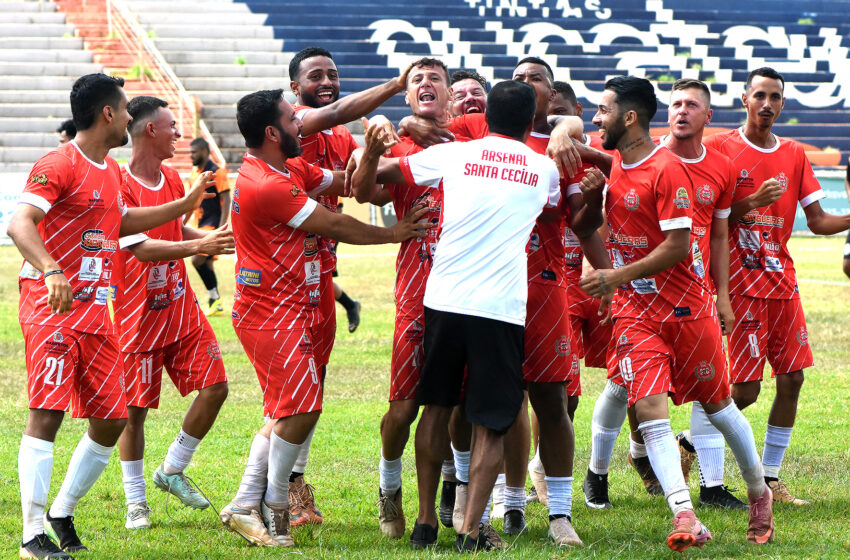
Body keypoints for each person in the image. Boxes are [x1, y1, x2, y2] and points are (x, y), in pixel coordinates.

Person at [8, 73, 212, 559]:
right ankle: (31, 534)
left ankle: (61, 511)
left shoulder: (110, 171)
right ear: (107, 114)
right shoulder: (59, 162)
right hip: (51, 305)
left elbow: (117, 223)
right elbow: (20, 222)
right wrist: (52, 269)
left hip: (98, 311)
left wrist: (182, 206)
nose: (127, 117)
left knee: (111, 419)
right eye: (124, 111)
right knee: (47, 414)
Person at [355, 80, 564, 552]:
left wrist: (370, 150)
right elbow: (552, 210)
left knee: (436, 407)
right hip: (501, 307)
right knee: (492, 418)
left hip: (444, 297)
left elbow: (373, 183)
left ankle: (426, 521)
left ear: (486, 117)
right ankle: (470, 528)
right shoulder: (543, 168)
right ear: (531, 121)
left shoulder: (458, 155)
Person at [218, 89, 430, 548]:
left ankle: (242, 504)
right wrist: (394, 232)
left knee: (283, 413)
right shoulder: (267, 183)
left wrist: (373, 152)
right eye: (295, 121)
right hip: (271, 311)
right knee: (301, 410)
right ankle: (273, 506)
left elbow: (347, 185)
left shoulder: (284, 167)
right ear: (274, 133)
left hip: (295, 305)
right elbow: (335, 224)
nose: (304, 127)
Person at [580, 75, 774, 551]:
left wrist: (613, 277)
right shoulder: (616, 161)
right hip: (636, 313)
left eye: (602, 111)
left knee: (721, 407)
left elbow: (679, 246)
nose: (595, 119)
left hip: (688, 310)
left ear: (628, 118)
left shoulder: (668, 172)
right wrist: (568, 143)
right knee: (648, 409)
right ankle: (685, 514)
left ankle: (758, 491)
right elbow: (578, 144)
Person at [705, 67, 850, 505]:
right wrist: (750, 201)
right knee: (745, 391)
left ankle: (770, 478)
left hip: (782, 282)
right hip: (740, 283)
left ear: (783, 104)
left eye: (775, 98)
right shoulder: (721, 149)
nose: (767, 104)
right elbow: (709, 217)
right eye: (760, 96)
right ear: (744, 99)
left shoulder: (793, 154)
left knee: (793, 379)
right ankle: (689, 443)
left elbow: (820, 220)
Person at [353, 56, 461, 541]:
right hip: (416, 292)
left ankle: (441, 506)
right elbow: (364, 192)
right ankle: (388, 484)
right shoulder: (397, 140)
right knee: (403, 408)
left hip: (464, 293)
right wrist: (375, 145)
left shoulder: (473, 139)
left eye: (434, 78)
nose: (424, 84)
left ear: (451, 92)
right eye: (416, 79)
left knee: (451, 404)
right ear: (407, 93)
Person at [114, 96, 235, 530]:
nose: (179, 136)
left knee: (216, 387)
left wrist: (209, 236)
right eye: (171, 127)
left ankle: (171, 469)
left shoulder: (169, 176)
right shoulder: (119, 184)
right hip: (137, 318)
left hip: (182, 310)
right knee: (134, 412)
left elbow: (171, 229)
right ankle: (136, 502)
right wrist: (196, 246)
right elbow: (141, 248)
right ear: (150, 130)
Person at [188, 137, 231, 317]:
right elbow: (191, 203)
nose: (191, 156)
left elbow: (227, 199)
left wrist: (221, 229)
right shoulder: (194, 174)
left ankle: (215, 300)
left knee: (196, 260)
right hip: (200, 225)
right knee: (207, 264)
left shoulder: (217, 172)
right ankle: (215, 302)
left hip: (212, 226)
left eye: (194, 152)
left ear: (205, 152)